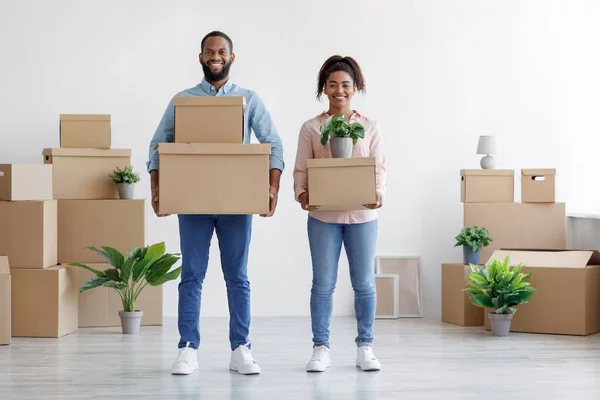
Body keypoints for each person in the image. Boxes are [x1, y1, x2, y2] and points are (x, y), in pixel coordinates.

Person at [147, 31, 284, 376]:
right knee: (192, 276)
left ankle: (241, 349)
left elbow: (273, 143)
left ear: (231, 57)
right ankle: (188, 348)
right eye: (209, 51)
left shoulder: (249, 99)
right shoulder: (183, 99)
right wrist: (157, 188)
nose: (215, 56)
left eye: (221, 51)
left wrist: (272, 189)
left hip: (235, 203)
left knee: (237, 277)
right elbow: (157, 145)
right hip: (193, 203)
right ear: (201, 57)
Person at [293, 55, 387, 372]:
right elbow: (301, 171)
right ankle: (321, 348)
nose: (339, 91)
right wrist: (304, 196)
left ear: (355, 87)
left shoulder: (369, 127)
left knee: (364, 284)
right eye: (332, 85)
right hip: (323, 219)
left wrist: (378, 195)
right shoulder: (312, 128)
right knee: (323, 284)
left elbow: (379, 169)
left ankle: (365, 347)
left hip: (362, 219)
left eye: (345, 84)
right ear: (324, 88)